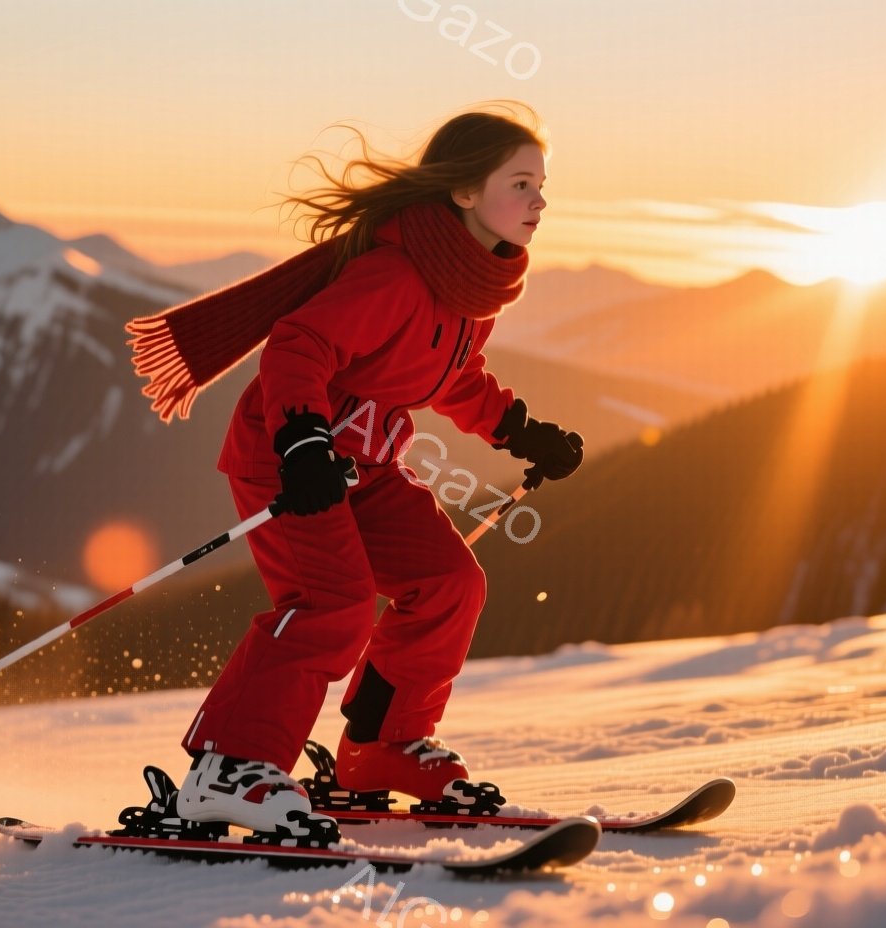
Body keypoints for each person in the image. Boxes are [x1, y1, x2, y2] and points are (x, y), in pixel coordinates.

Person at [124, 102, 584, 842]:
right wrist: (302, 440)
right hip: (290, 458)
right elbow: (297, 346)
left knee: (449, 584)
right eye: (522, 183)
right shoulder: (398, 275)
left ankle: (380, 751)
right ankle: (227, 768)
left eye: (541, 185)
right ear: (466, 191)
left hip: (363, 465)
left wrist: (520, 431)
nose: (539, 201)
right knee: (332, 601)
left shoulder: (467, 287)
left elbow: (452, 377)